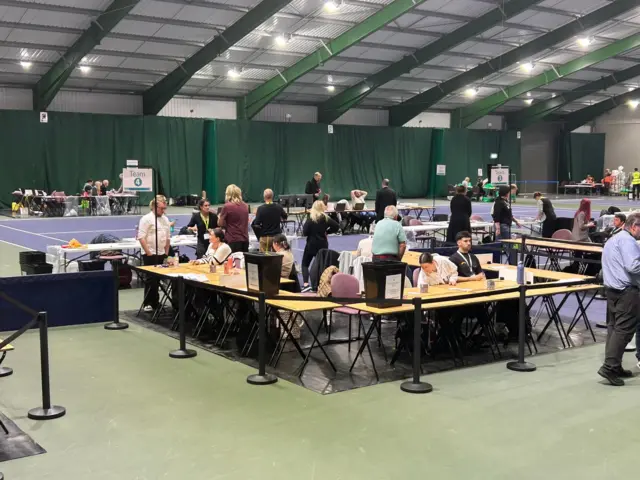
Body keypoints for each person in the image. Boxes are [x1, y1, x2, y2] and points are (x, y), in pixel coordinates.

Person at [598, 212, 640, 386]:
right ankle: (609, 366)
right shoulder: (628, 241)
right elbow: (633, 266)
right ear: (634, 226)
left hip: (612, 290)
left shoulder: (614, 239)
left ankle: (615, 366)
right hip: (626, 292)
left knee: (615, 330)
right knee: (623, 331)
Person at [137, 196, 171, 312]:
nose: (163, 211)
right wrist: (148, 253)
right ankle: (148, 303)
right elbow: (141, 237)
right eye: (162, 208)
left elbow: (167, 238)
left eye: (164, 209)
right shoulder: (146, 219)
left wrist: (166, 253)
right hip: (150, 254)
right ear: (155, 207)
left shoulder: (165, 219)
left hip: (161, 253)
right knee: (150, 279)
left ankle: (156, 302)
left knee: (158, 280)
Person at [301, 200, 339, 290]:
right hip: (322, 244)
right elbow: (336, 226)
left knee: (305, 264)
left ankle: (306, 284)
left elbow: (304, 232)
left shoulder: (311, 219)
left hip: (311, 244)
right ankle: (322, 283)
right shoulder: (326, 218)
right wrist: (327, 231)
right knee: (322, 264)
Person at [219, 184, 249, 253]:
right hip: (245, 239)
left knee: (232, 263)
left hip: (232, 240)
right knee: (242, 262)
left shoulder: (227, 206)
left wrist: (220, 217)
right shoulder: (245, 206)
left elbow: (220, 223)